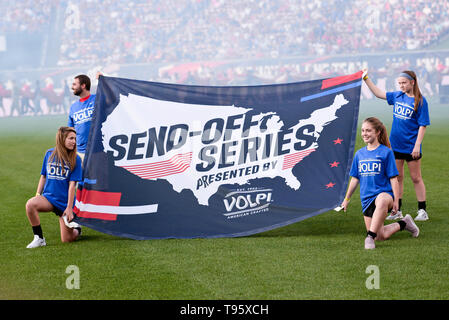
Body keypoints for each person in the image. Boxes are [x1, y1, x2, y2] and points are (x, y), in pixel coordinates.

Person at [341, 117, 420, 250]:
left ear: (377, 132)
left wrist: (396, 200)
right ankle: (404, 223)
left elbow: (394, 179)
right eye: (362, 130)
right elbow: (355, 179)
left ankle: (369, 237)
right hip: (367, 199)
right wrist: (346, 199)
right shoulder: (359, 154)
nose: (364, 133)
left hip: (384, 196)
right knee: (381, 236)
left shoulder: (386, 152)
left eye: (368, 130)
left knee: (382, 200)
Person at [362, 69, 430, 221]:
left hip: (411, 147)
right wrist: (366, 79)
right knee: (397, 178)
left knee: (416, 177)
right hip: (395, 146)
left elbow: (423, 125)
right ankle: (397, 210)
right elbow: (379, 93)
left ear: (412, 82)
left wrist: (417, 145)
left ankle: (422, 211)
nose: (401, 86)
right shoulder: (398, 96)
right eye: (399, 83)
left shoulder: (420, 101)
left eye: (404, 83)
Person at [25, 126, 83, 248]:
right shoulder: (49, 154)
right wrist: (37, 195)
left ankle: (77, 228)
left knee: (67, 239)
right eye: (71, 138)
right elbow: (43, 176)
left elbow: (72, 186)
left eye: (75, 139)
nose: (74, 141)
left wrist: (69, 208)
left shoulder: (75, 159)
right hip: (49, 199)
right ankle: (39, 238)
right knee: (30, 204)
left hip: (64, 203)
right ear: (62, 139)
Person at [68, 74, 96, 162]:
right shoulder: (73, 107)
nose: (72, 87)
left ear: (83, 85)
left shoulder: (97, 99)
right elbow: (71, 129)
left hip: (97, 151)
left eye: (74, 84)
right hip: (79, 152)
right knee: (80, 176)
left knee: (99, 176)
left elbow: (112, 96)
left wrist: (103, 79)